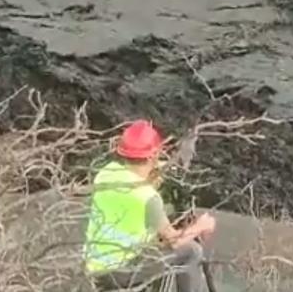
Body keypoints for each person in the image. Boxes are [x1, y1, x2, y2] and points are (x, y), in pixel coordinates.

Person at [83, 119, 217, 292]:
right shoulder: (148, 198)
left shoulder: (106, 173)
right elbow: (175, 241)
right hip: (122, 272)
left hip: (95, 268)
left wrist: (160, 169)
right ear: (154, 155)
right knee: (191, 251)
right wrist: (200, 226)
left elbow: (134, 179)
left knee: (155, 246)